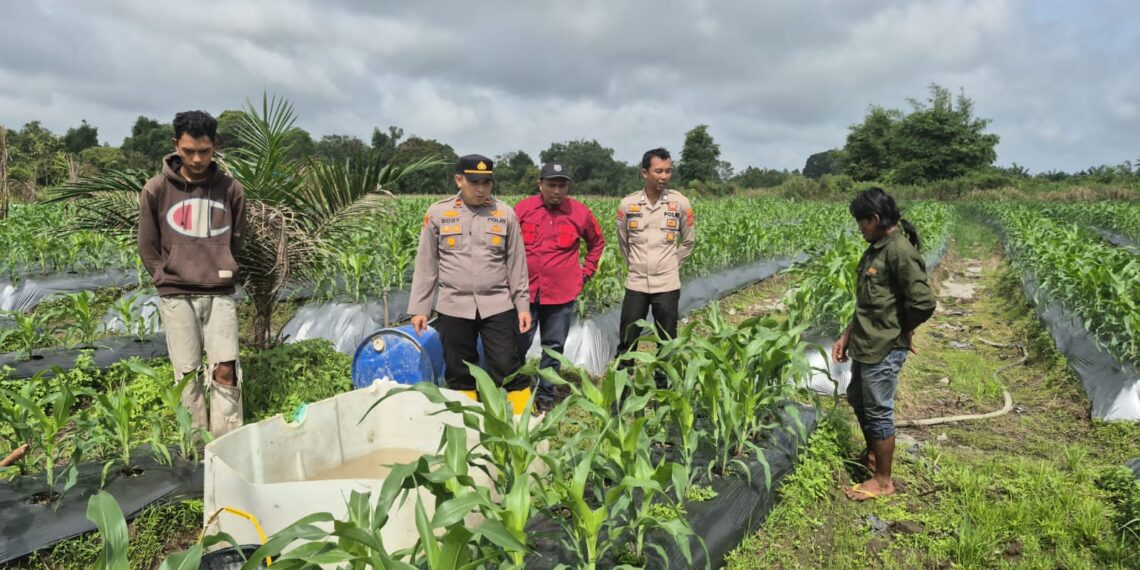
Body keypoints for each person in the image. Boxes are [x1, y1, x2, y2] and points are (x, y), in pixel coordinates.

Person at [138, 110, 246, 438]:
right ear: (175, 145)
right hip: (176, 294)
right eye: (188, 151)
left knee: (225, 370)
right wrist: (164, 275)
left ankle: (226, 445)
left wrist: (223, 266)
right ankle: (195, 446)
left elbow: (238, 239)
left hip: (220, 293)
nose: (197, 159)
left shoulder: (231, 190)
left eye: (204, 151)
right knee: (187, 374)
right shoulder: (156, 190)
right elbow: (147, 244)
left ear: (215, 146)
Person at [832, 187, 935, 501]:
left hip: (883, 346)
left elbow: (924, 303)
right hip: (866, 341)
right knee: (858, 398)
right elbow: (868, 302)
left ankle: (883, 480)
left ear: (875, 219)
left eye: (861, 222)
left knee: (878, 410)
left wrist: (902, 331)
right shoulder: (877, 248)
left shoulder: (899, 251)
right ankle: (875, 456)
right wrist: (847, 335)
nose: (859, 228)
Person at [408, 154, 534, 413]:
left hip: (497, 304)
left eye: (486, 183)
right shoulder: (439, 214)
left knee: (508, 366)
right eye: (474, 182)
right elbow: (426, 264)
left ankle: (522, 426)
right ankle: (465, 426)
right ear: (459, 180)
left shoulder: (504, 214)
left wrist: (522, 305)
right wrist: (420, 308)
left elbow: (517, 265)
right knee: (459, 370)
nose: (480, 189)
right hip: (454, 306)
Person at [514, 162, 606, 411]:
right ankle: (515, 390)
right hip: (525, 291)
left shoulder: (580, 213)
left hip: (561, 293)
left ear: (568, 187)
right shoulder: (522, 209)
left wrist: (586, 274)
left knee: (553, 347)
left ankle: (545, 396)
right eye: (551, 185)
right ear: (540, 185)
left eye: (562, 185)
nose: (556, 191)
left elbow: (597, 243)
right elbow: (505, 245)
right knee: (518, 343)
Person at [615, 148, 695, 380]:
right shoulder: (628, 205)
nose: (664, 176)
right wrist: (636, 264)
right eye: (658, 171)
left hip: (667, 285)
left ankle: (663, 390)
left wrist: (671, 264)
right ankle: (622, 390)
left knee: (667, 341)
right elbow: (623, 243)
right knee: (628, 340)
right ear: (644, 173)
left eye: (668, 171)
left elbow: (688, 242)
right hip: (636, 284)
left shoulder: (680, 203)